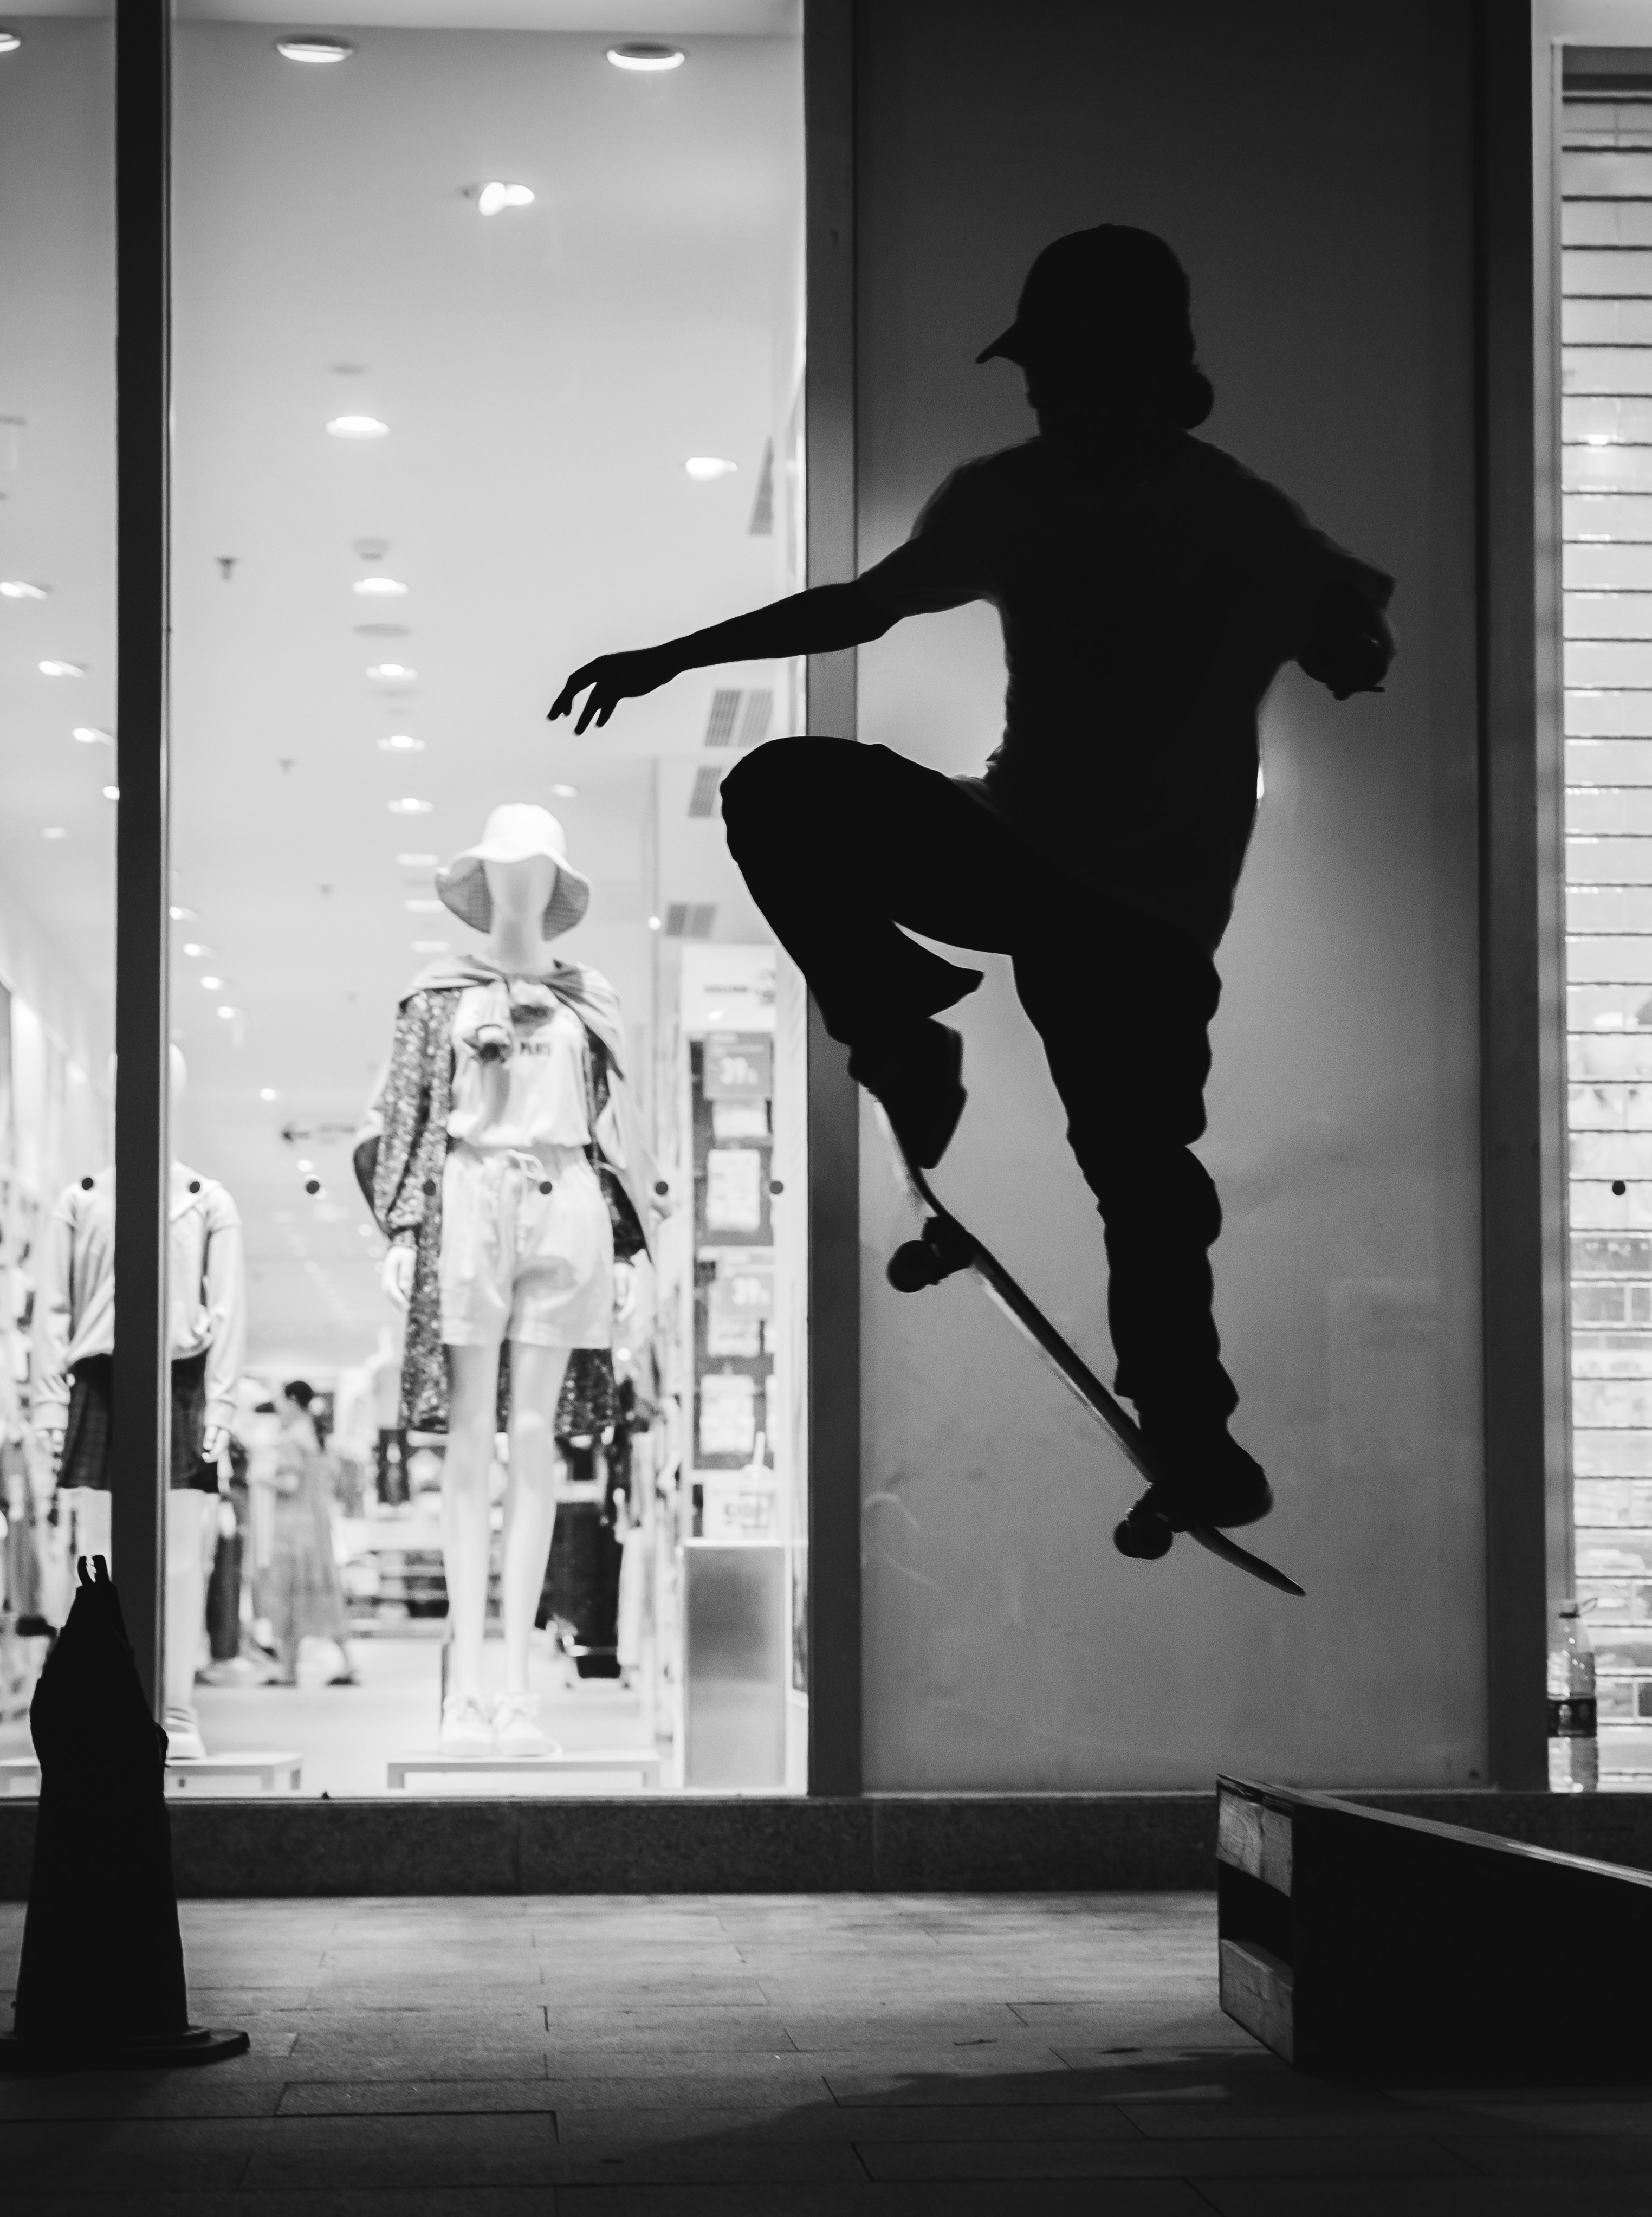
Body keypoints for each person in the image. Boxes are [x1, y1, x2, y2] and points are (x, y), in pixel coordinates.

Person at [552, 224, 1393, 1532]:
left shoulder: (1229, 514)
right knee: (777, 789)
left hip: (1137, 923)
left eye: (1064, 376)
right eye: (1036, 382)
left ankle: (1194, 1440)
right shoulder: (1020, 495)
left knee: (1142, 1179)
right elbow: (861, 604)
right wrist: (674, 655)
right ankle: (903, 1031)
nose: (1045, 403)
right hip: (1020, 857)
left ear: (1140, 370)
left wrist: (1344, 638)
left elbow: (1347, 610)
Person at [257, 1381, 358, 1689]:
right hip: (317, 1527)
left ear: (291, 1400)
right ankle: (348, 1663)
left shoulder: (291, 1438)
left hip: (292, 1526)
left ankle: (288, 1670)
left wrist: (261, 1479)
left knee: (288, 1596)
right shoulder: (319, 1436)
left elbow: (289, 1483)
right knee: (324, 1595)